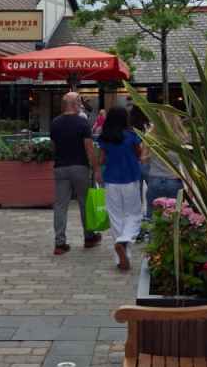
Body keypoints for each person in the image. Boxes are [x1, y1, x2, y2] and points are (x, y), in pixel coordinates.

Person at [50, 92, 102, 256]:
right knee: (84, 203)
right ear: (74, 104)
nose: (81, 104)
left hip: (60, 167)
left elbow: (53, 146)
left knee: (60, 205)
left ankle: (60, 243)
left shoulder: (55, 123)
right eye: (79, 101)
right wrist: (96, 168)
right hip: (80, 166)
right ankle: (89, 237)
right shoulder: (82, 123)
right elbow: (89, 149)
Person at [98, 107, 144, 271]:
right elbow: (139, 155)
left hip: (111, 180)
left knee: (115, 217)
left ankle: (121, 257)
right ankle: (124, 240)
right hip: (130, 178)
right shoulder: (131, 136)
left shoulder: (105, 137)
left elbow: (102, 159)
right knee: (134, 214)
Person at [145, 110, 185, 219]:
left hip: (155, 180)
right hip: (174, 181)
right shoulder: (180, 139)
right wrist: (189, 185)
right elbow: (186, 166)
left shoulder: (150, 137)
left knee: (152, 216)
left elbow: (144, 160)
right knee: (175, 217)